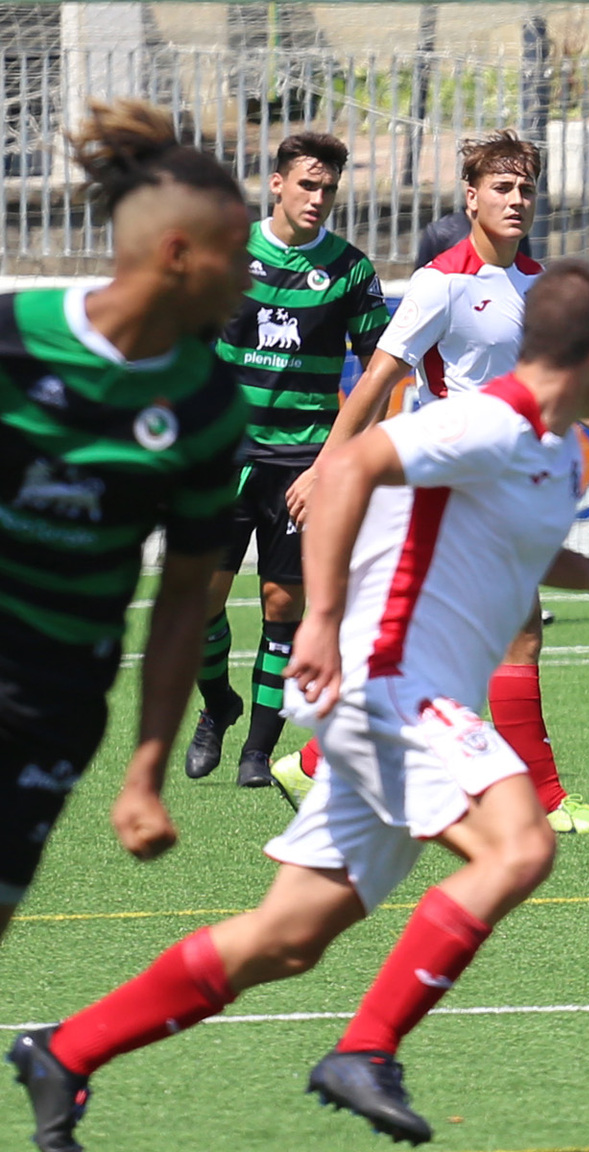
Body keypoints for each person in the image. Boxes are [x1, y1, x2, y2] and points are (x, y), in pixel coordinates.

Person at [9, 260, 589, 1149]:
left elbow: (515, 545)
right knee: (519, 846)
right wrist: (320, 619)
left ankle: (66, 1051)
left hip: (404, 704)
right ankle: (367, 1051)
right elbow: (351, 466)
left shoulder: (543, 448)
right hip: (395, 687)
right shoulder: (484, 419)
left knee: (286, 939)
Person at [269, 130, 589, 835]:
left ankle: (317, 765)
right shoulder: (441, 281)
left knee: (483, 640)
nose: (517, 201)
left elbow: (558, 386)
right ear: (471, 197)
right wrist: (327, 465)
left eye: (526, 189)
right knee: (503, 637)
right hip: (449, 482)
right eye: (502, 189)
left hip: (496, 482)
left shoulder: (537, 283)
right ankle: (542, 801)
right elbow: (378, 379)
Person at [0, 99, 249, 954]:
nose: (249, 279)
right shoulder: (13, 342)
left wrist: (146, 771)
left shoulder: (209, 406)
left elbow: (183, 602)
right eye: (238, 258)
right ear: (179, 256)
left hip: (56, 703)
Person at [184, 132, 390, 789]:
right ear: (276, 183)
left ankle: (257, 750)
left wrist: (343, 460)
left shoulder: (352, 270)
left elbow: (380, 371)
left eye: (328, 188)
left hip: (304, 463)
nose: (318, 198)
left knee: (282, 603)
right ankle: (219, 705)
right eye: (307, 184)